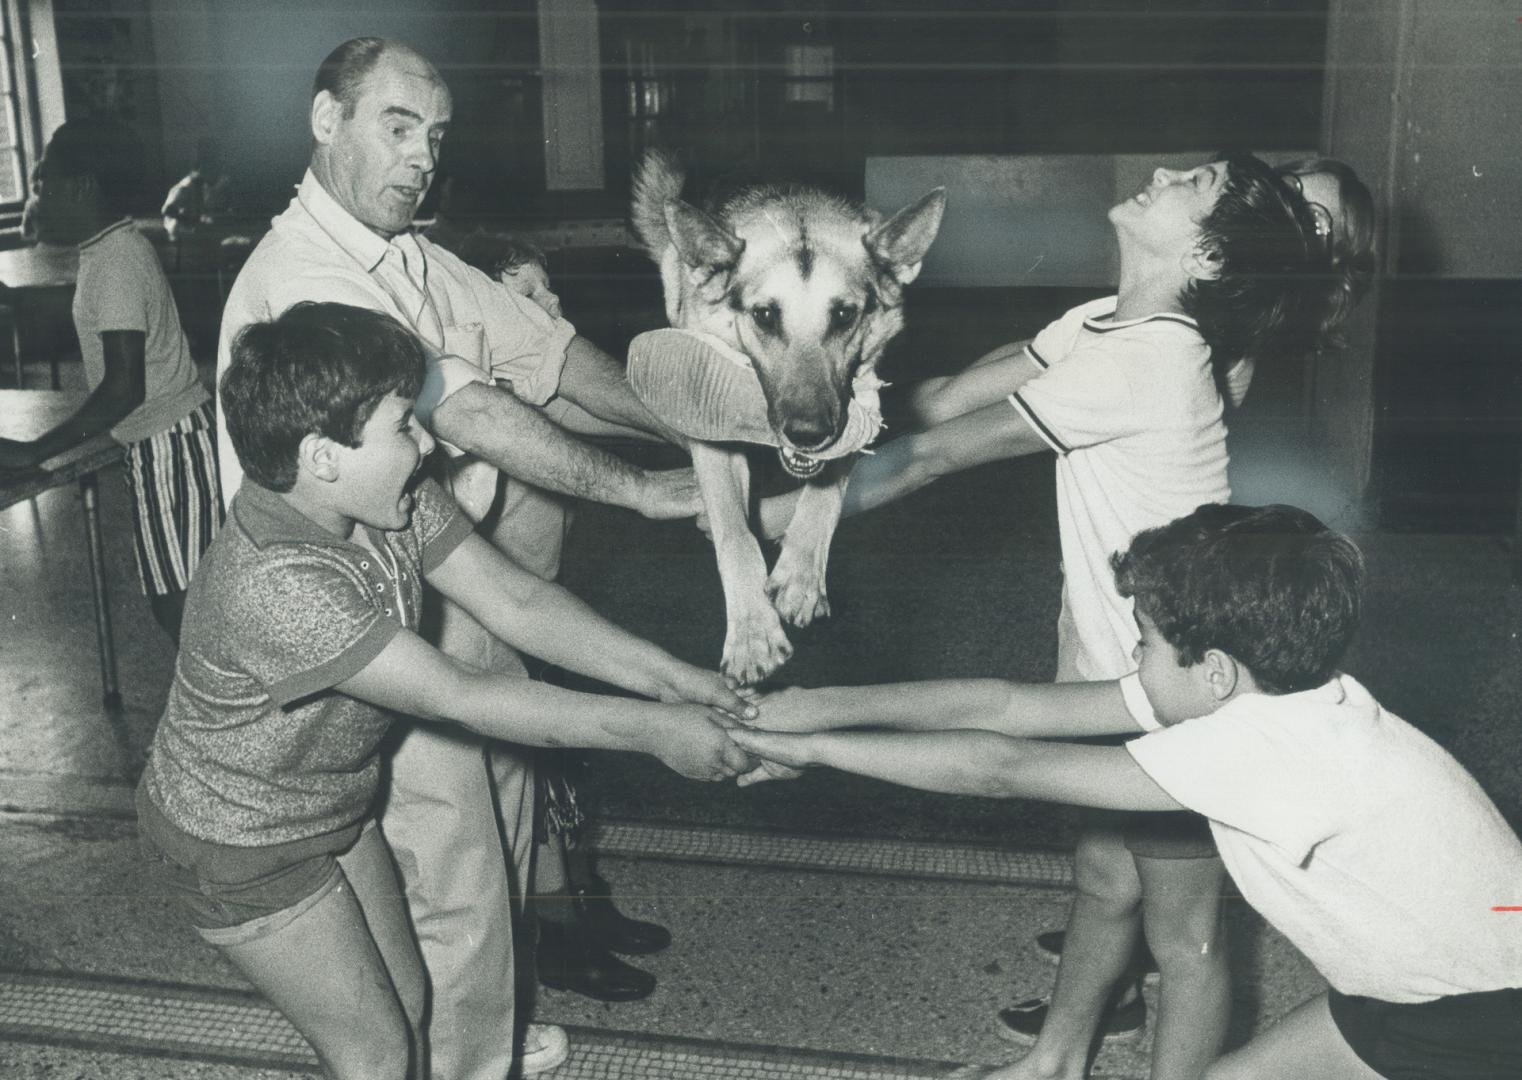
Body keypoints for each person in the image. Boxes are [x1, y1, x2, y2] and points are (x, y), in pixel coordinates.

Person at [747, 153, 1352, 1079]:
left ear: (1211, 258)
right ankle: (1054, 1064)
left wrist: (718, 515)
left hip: (1186, 683)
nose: (1165, 168)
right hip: (1107, 647)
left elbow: (929, 460)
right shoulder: (1102, 325)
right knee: (1107, 874)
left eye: (1194, 183)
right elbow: (937, 403)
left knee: (1185, 934)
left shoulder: (1154, 360)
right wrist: (812, 404)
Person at [214, 38, 700, 1078]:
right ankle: (469, 1063)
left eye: (433, 136)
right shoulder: (308, 276)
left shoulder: (409, 255)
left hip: (449, 571)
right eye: (396, 126)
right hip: (366, 620)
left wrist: (692, 430)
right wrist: (645, 490)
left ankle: (488, 1034)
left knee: (502, 830)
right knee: (457, 874)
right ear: (324, 121)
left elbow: (547, 357)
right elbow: (472, 411)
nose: (420, 156)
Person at [139, 301, 756, 1080]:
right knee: (377, 1051)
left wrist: (675, 678)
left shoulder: (380, 500)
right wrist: (655, 730)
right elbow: (464, 697)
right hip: (241, 845)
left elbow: (518, 602)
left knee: (407, 1003)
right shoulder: (276, 583)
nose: (428, 441)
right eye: (404, 425)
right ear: (323, 455)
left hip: (330, 807)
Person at [730, 502, 1522, 1080]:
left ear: (1212, 668)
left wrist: (815, 751)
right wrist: (822, 704)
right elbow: (1008, 706)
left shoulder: (1263, 747)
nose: (1133, 660)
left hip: (1478, 1020)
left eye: (1143, 643)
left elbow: (999, 768)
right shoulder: (1277, 692)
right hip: (1419, 989)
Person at [428, 226, 670, 1002]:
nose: (552, 307)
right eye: (531, 295)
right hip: (490, 627)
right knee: (524, 789)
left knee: (560, 785)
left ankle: (585, 912)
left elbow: (590, 413)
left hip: (536, 621)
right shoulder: (479, 410)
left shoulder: (531, 392)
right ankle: (560, 934)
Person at [0, 117, 221, 644]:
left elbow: (125, 387)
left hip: (171, 446)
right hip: (157, 442)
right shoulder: (105, 250)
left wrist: (37, 450)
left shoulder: (118, 258)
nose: (39, 197)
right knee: (180, 605)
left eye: (44, 184)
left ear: (81, 187)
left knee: (184, 611)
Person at [161, 136, 232, 245]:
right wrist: (190, 220)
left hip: (197, 229)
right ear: (203, 168)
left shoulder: (215, 182)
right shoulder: (187, 186)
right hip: (183, 233)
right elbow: (167, 210)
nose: (218, 173)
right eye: (215, 169)